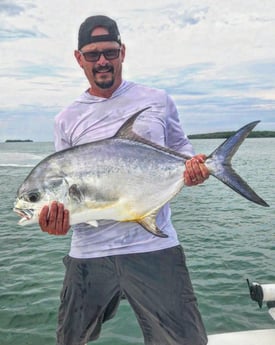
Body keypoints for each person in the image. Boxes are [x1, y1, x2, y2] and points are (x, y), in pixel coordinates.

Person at [39, 15, 210, 345]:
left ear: (122, 53)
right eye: (92, 54)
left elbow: (184, 155)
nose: (102, 61)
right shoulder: (66, 119)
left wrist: (195, 172)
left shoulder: (157, 101)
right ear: (79, 58)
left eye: (109, 52)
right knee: (70, 339)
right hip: (89, 252)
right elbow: (63, 187)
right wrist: (55, 221)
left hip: (154, 245)